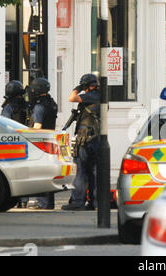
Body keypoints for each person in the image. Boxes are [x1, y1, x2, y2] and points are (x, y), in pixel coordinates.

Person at [62, 74, 101, 211]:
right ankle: (95, 202)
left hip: (85, 139)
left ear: (88, 86)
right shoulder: (101, 97)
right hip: (96, 139)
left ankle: (78, 201)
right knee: (93, 172)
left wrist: (77, 88)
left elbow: (71, 98)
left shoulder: (92, 96)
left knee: (80, 171)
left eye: (85, 87)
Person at [28, 78, 58, 210]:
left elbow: (37, 126)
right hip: (50, 139)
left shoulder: (39, 106)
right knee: (48, 172)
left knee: (40, 172)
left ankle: (42, 202)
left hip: (41, 142)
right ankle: (48, 202)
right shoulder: (52, 103)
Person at [1, 80, 29, 209]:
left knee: (12, 171)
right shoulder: (27, 105)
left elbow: (3, 124)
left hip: (12, 141)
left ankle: (15, 199)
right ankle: (24, 200)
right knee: (25, 171)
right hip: (26, 141)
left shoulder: (9, 107)